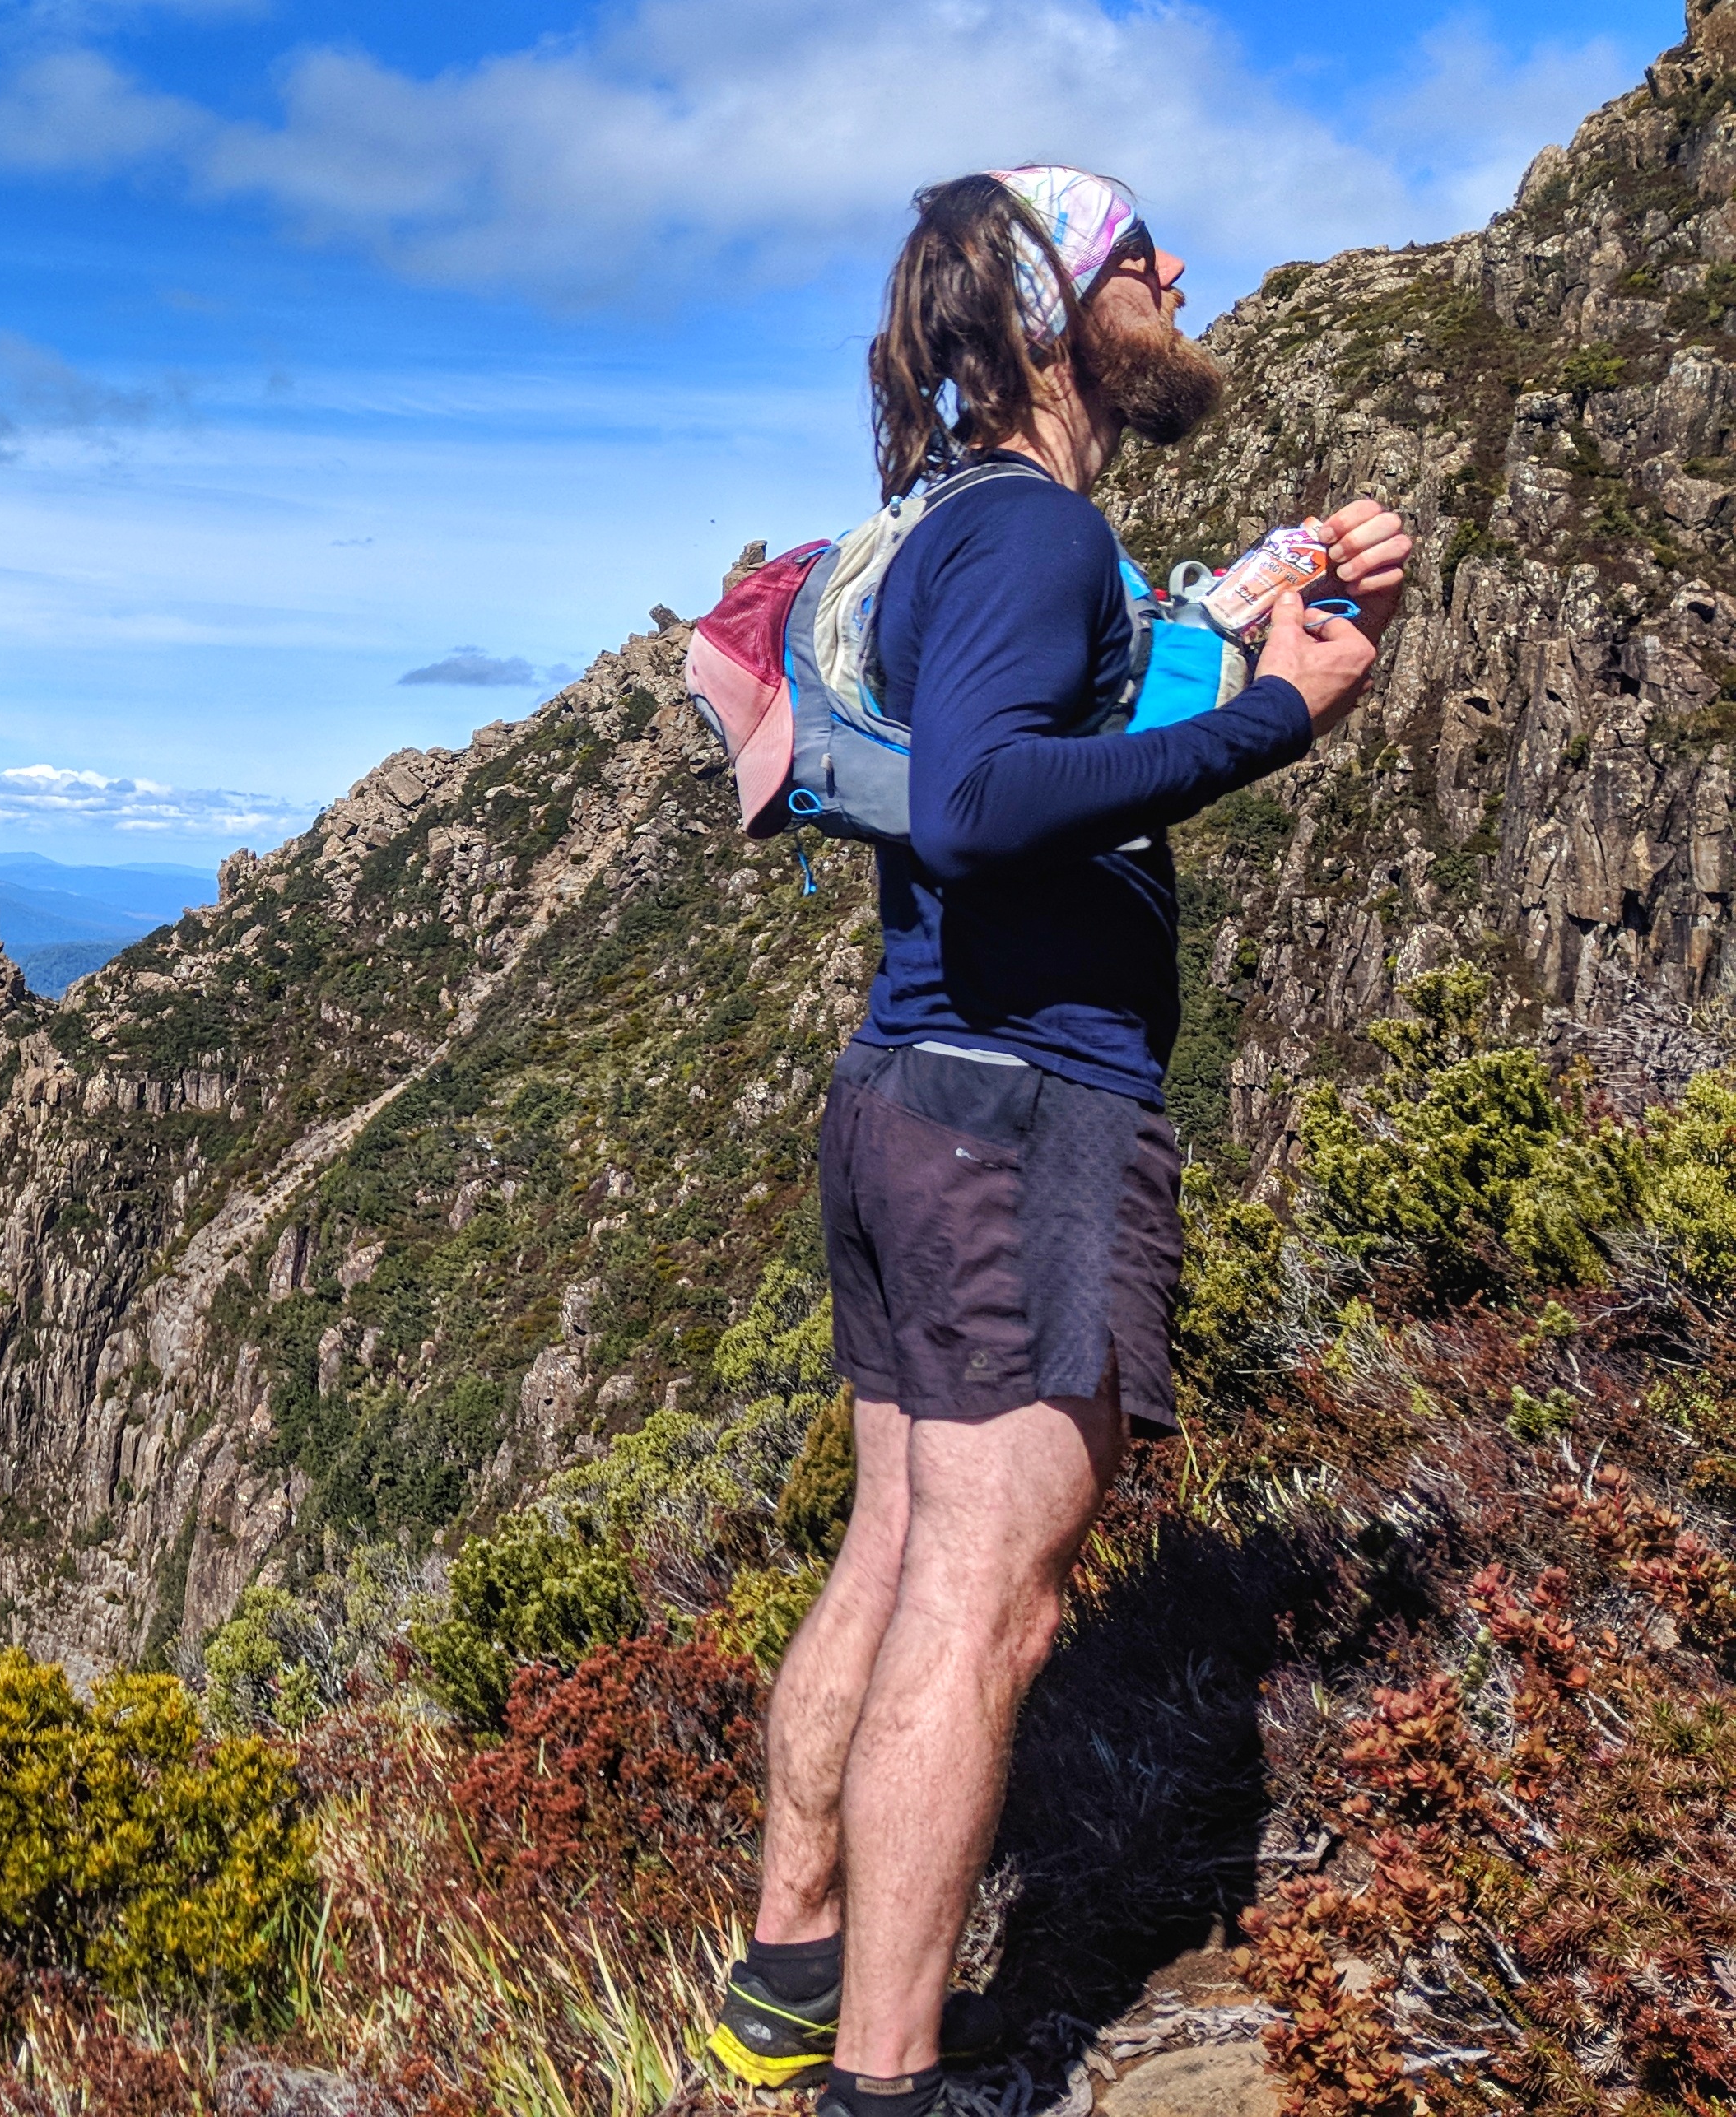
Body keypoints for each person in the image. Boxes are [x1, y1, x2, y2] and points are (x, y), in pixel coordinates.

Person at [702, 168, 1412, 2117]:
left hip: (909, 1098)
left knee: (893, 1543)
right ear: (1051, 317)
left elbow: (1042, 708)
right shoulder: (1031, 534)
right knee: (988, 1601)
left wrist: (1252, 612)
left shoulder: (959, 519)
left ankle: (788, 1976)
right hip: (1025, 1114)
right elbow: (989, 800)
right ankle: (892, 2079)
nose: (1186, 280)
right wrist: (1273, 714)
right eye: (1143, 262)